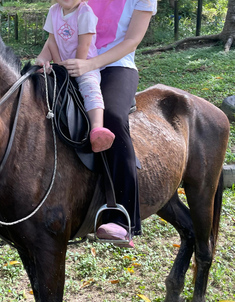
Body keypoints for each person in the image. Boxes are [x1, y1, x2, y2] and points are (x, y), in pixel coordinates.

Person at [58, 0, 157, 248]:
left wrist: (91, 64)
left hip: (116, 66)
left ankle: (122, 218)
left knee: (112, 116)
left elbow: (131, 41)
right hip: (75, 59)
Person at [36, 0, 115, 153]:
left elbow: (84, 45)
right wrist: (56, 65)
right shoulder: (53, 11)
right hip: (63, 65)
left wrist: (76, 66)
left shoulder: (85, 13)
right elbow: (52, 41)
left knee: (90, 87)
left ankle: (97, 128)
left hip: (84, 64)